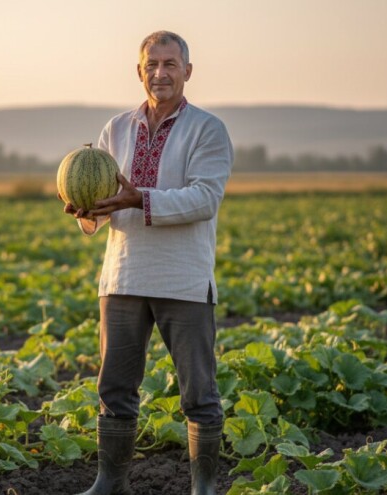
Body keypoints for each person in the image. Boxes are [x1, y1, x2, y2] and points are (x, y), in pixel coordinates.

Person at [59, 31, 233, 495]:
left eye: (170, 64)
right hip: (122, 275)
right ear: (139, 72)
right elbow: (105, 200)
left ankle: (204, 486)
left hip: (184, 278)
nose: (160, 73)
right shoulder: (114, 129)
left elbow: (204, 198)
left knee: (199, 392)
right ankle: (109, 483)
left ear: (187, 72)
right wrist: (86, 211)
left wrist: (140, 198)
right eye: (151, 64)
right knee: (114, 388)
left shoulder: (207, 129)